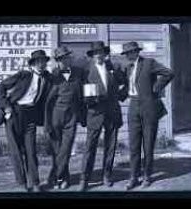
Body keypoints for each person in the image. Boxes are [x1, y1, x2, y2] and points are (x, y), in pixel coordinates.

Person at [0, 50, 53, 192]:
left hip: (31, 116)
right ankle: (21, 183)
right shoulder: (23, 75)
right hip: (14, 113)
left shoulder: (47, 78)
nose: (41, 64)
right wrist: (6, 106)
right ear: (32, 64)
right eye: (38, 62)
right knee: (16, 151)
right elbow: (1, 87)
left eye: (43, 62)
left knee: (31, 151)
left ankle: (35, 182)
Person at [119, 41, 174, 190]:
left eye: (131, 52)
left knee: (148, 144)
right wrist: (118, 95)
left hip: (149, 107)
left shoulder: (149, 63)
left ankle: (147, 176)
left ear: (137, 52)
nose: (129, 55)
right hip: (133, 107)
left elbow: (168, 73)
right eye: (126, 54)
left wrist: (155, 88)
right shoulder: (128, 68)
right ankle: (133, 177)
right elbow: (128, 86)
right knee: (134, 145)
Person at [79, 41, 126, 191]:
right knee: (90, 147)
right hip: (94, 113)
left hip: (112, 112)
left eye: (102, 52)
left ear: (105, 54)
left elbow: (126, 82)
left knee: (110, 145)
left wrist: (120, 96)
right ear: (92, 56)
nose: (99, 55)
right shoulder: (86, 71)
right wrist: (90, 101)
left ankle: (107, 175)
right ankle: (84, 179)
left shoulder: (113, 67)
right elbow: (82, 93)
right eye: (96, 53)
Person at [41, 46, 86, 190]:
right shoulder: (52, 76)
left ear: (69, 58)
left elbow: (83, 94)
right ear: (57, 61)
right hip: (55, 117)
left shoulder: (78, 73)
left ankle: (53, 177)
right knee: (57, 151)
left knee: (65, 149)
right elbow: (47, 103)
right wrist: (47, 123)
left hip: (71, 117)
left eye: (66, 58)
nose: (64, 61)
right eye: (61, 59)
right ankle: (64, 178)